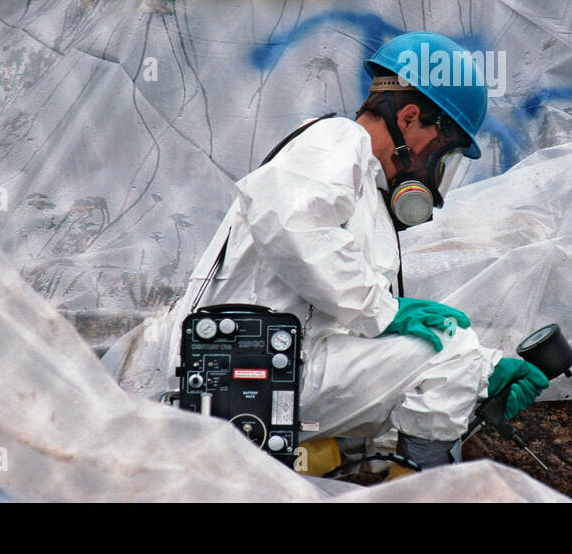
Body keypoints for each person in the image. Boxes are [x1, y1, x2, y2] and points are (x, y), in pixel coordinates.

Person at [171, 31, 548, 472]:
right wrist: (389, 314)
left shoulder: (369, 193)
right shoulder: (338, 140)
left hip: (268, 371)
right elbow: (292, 222)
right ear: (409, 118)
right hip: (239, 366)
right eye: (443, 154)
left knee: (455, 355)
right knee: (452, 354)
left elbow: (362, 340)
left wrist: (488, 368)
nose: (437, 173)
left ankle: (338, 467)